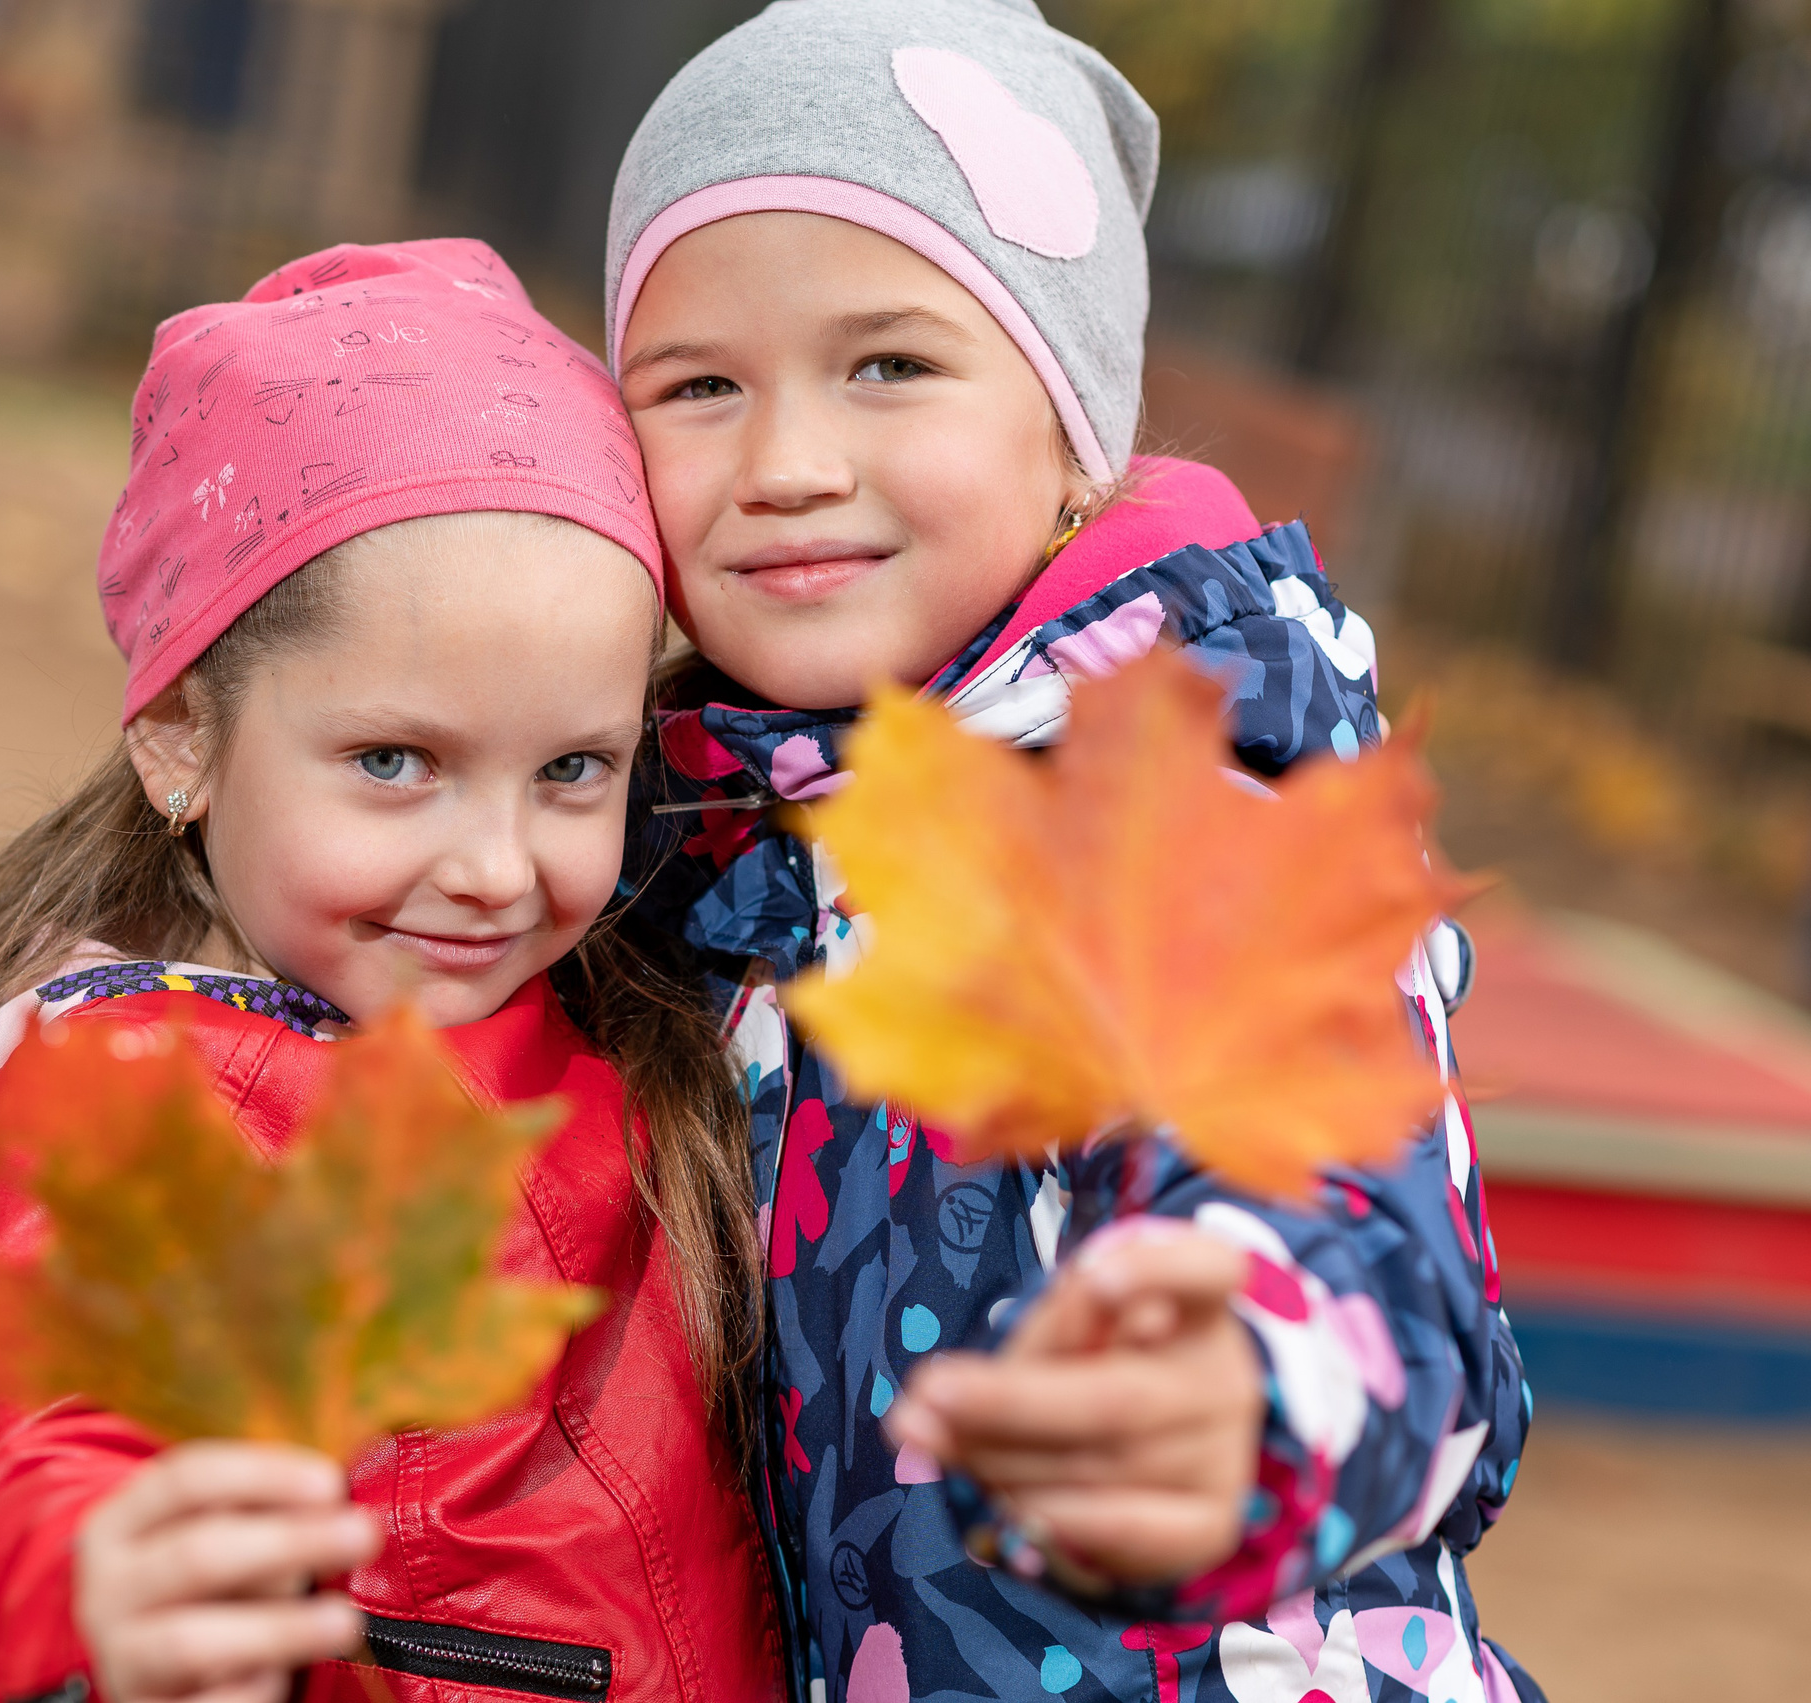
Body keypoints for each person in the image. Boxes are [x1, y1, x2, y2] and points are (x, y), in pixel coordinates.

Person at [0, 239, 782, 1703]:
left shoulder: (629, 1012)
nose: (499, 867)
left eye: (573, 770)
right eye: (398, 763)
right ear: (181, 739)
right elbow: (76, 1418)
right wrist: (106, 1588)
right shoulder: (140, 1101)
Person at [602, 4, 1539, 1700]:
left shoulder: (1164, 815)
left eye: (891, 363)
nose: (789, 464)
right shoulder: (707, 853)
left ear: (1073, 430)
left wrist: (1244, 1377)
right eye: (699, 386)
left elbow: (1331, 1192)